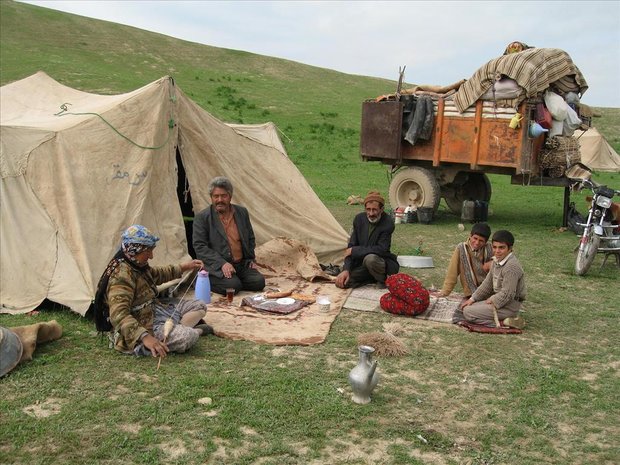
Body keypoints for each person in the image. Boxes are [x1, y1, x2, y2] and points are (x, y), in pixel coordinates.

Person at [94, 225, 211, 358]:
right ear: (136, 250)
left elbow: (156, 274)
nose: (151, 256)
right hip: (140, 323)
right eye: (148, 251)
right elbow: (119, 315)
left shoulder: (136, 264)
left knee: (199, 305)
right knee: (187, 337)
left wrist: (185, 267)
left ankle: (172, 329)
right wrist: (145, 337)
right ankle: (189, 332)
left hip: (154, 309)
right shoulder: (121, 277)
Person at [193, 176, 265, 296]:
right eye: (216, 196)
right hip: (218, 266)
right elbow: (200, 247)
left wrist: (250, 259)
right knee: (233, 287)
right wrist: (222, 263)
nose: (219, 200)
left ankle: (234, 280)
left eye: (223, 196)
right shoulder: (202, 218)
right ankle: (206, 279)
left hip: (241, 264)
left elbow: (250, 238)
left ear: (230, 196)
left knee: (259, 282)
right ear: (211, 198)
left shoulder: (242, 212)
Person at [460, 230, 526, 328]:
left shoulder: (511, 267)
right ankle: (506, 320)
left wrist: (493, 299)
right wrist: (473, 298)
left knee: (468, 313)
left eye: (501, 248)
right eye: (494, 247)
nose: (497, 251)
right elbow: (488, 283)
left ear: (510, 248)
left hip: (509, 306)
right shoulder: (497, 260)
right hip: (501, 302)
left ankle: (505, 323)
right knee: (468, 306)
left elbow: (508, 293)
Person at [335, 190, 399, 289]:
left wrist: (355, 251)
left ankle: (381, 279)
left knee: (370, 259)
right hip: (361, 263)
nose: (371, 213)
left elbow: (382, 249)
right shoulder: (359, 219)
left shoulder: (388, 222)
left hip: (380, 262)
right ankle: (370, 277)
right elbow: (350, 247)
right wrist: (346, 269)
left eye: (374, 210)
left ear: (382, 209)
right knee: (344, 282)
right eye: (368, 209)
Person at [437, 223, 493, 298]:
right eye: (475, 238)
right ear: (470, 235)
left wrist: (492, 263)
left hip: (489, 290)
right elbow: (452, 272)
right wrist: (445, 292)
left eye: (481, 241)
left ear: (486, 242)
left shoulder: (490, 248)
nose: (477, 243)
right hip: (472, 292)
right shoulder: (461, 248)